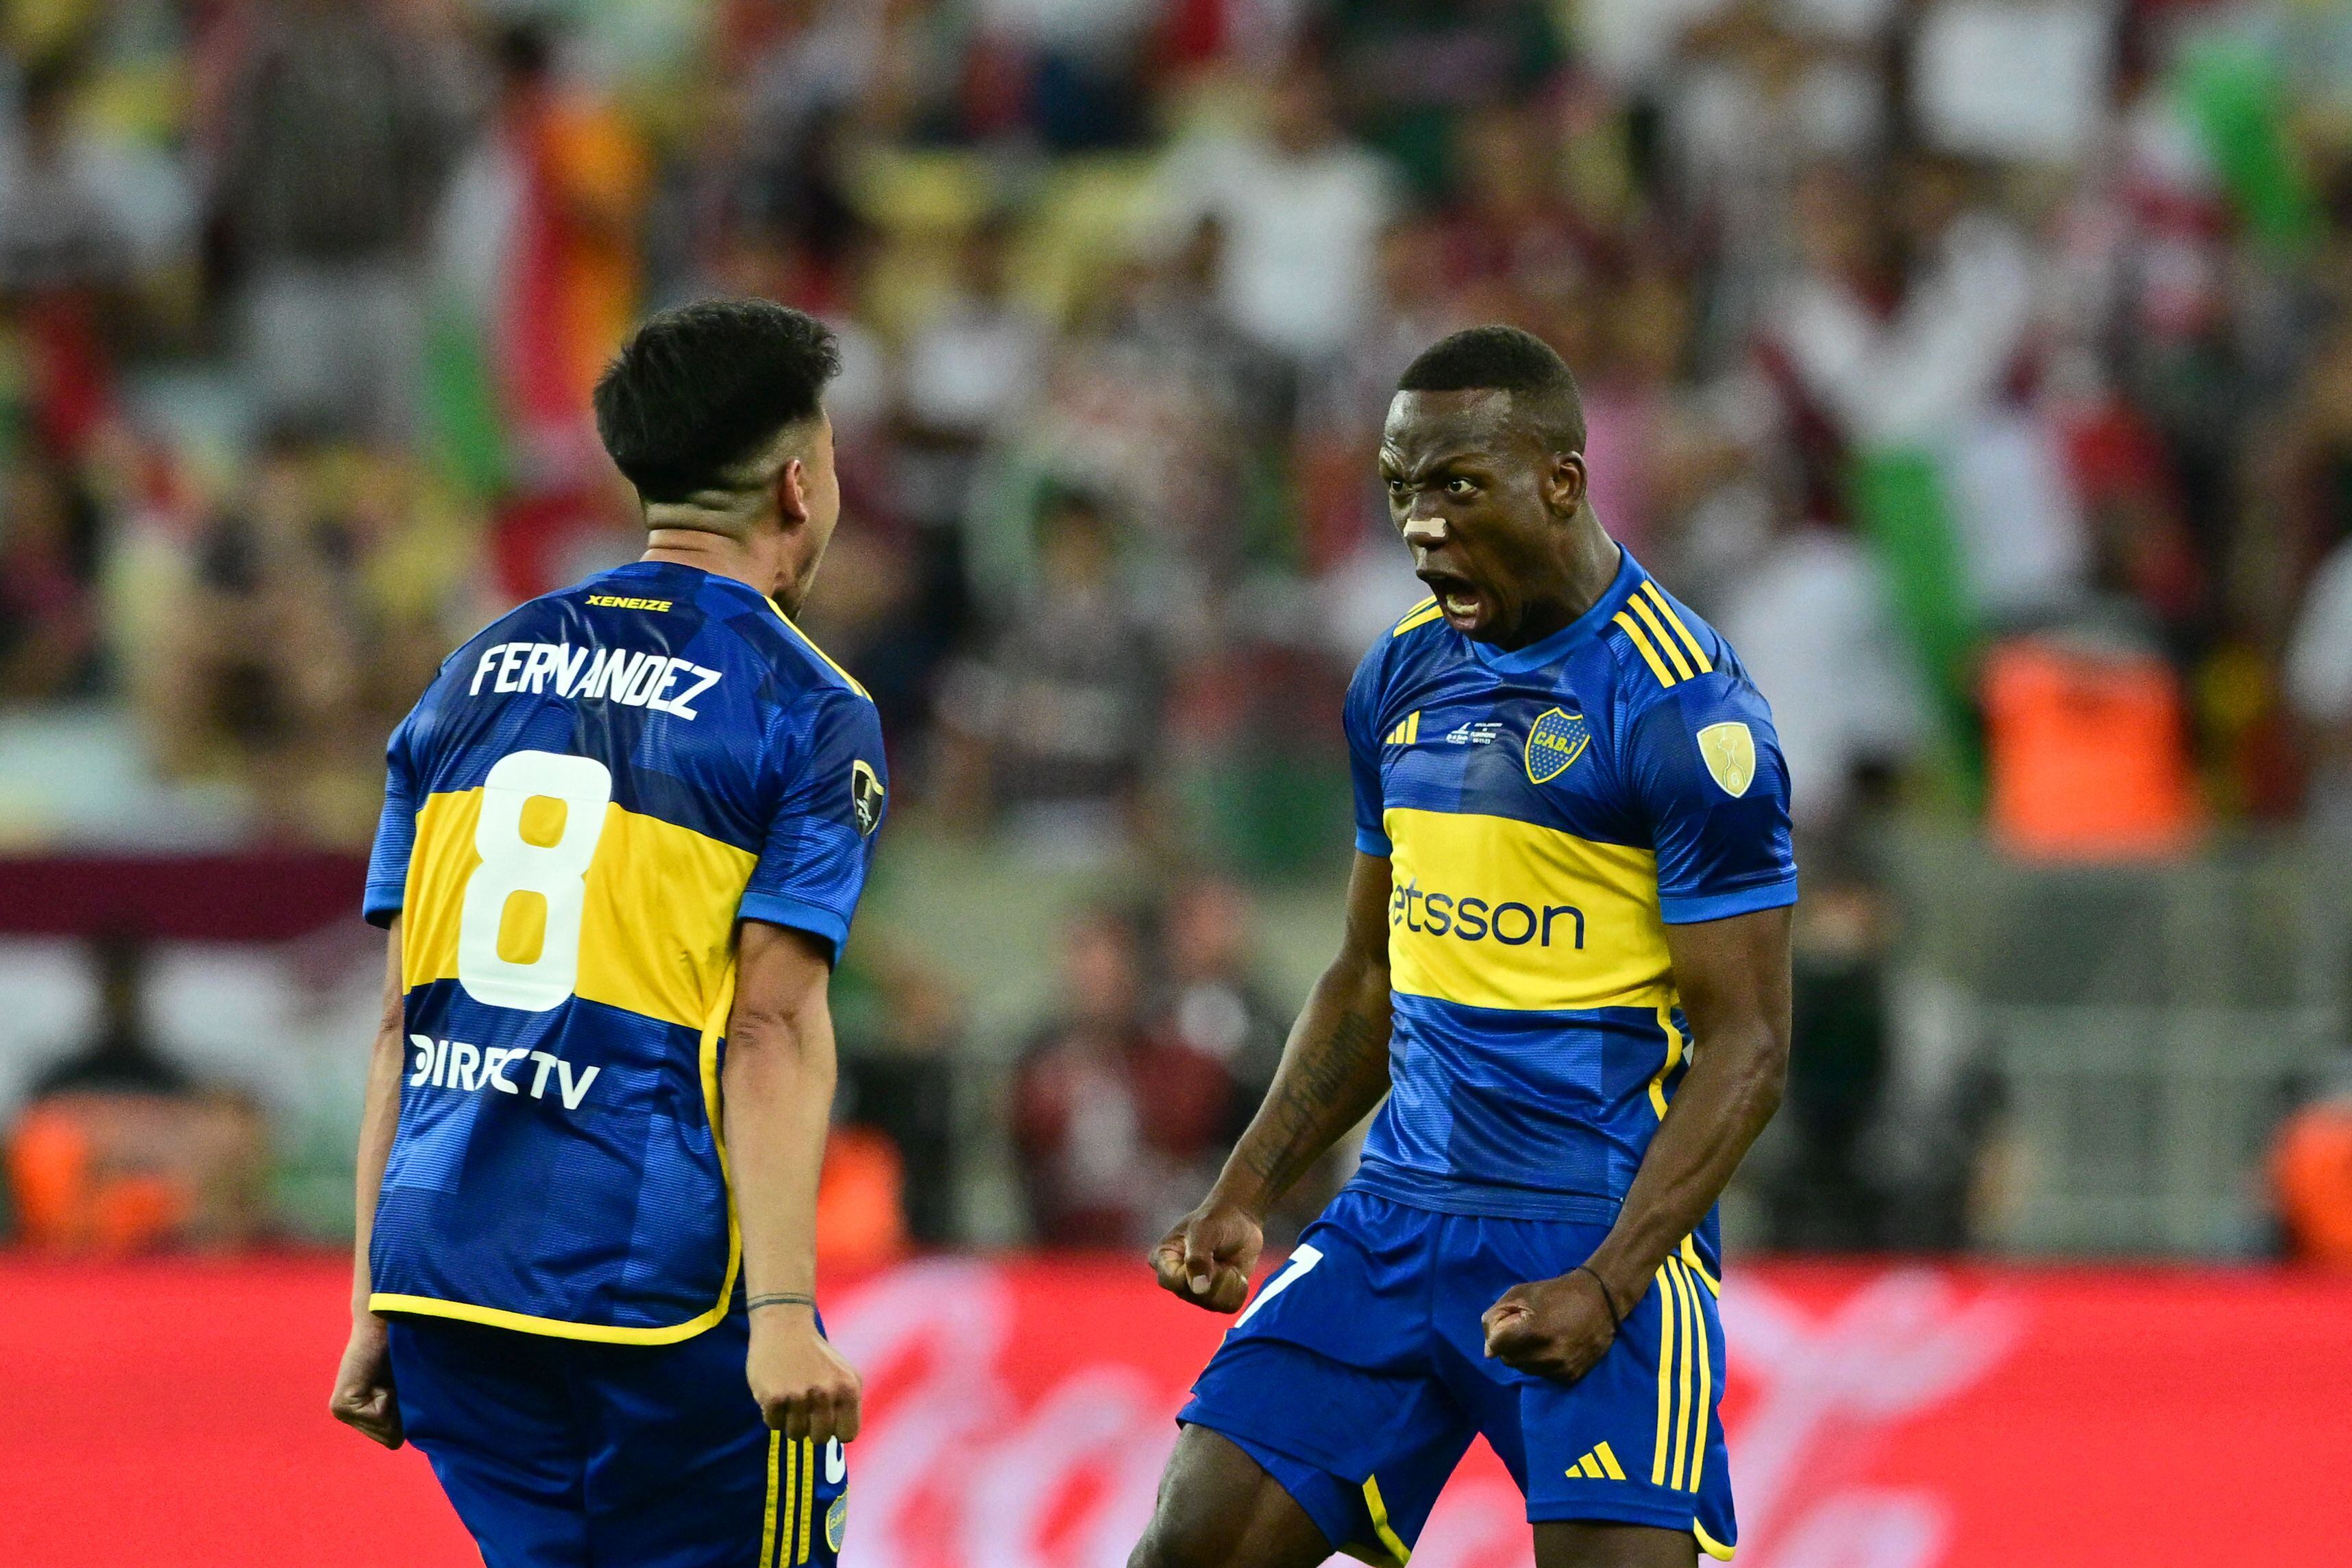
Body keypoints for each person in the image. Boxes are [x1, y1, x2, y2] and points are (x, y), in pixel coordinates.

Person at [1133, 326, 1798, 1568]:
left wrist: (1608, 1284)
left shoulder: (1683, 709)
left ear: (1562, 479)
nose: (1421, 525)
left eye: (1456, 484)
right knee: (1187, 1548)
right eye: (1399, 488)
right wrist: (1245, 1192)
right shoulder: (1399, 675)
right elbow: (1371, 978)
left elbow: (1750, 1050)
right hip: (1393, 1216)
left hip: (1596, 1227)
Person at [328, 299, 885, 1568]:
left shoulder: (468, 676)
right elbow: (771, 1022)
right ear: (800, 485)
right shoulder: (803, 706)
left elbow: (403, 1025)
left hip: (446, 1284)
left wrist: (372, 1302)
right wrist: (785, 1316)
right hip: (658, 1301)